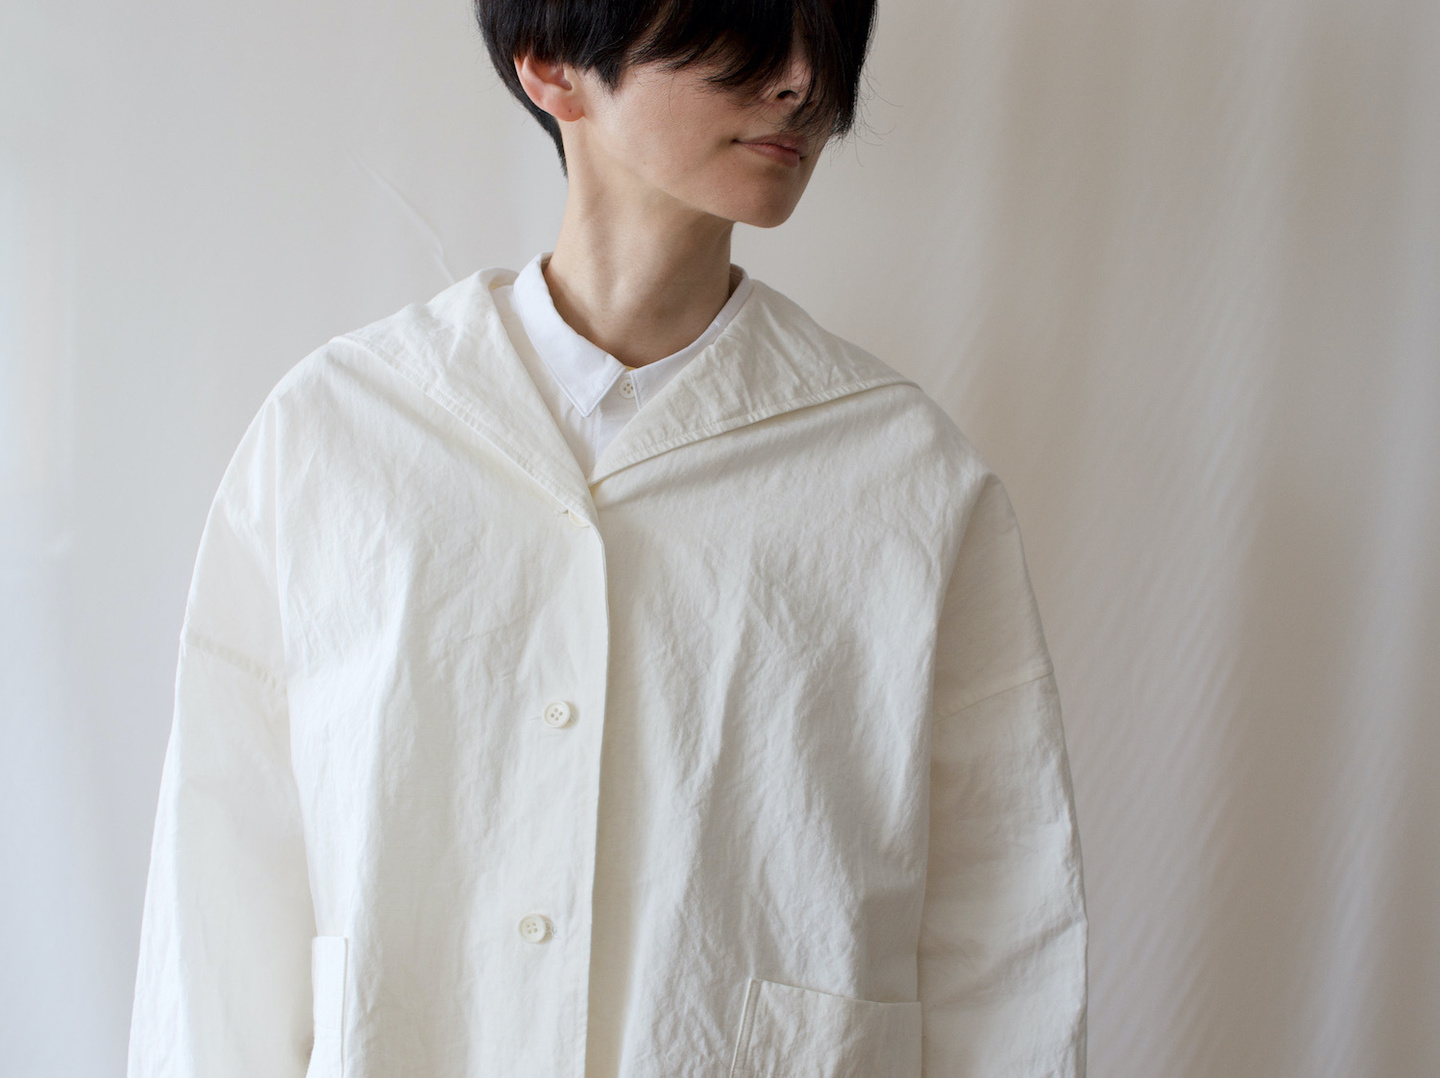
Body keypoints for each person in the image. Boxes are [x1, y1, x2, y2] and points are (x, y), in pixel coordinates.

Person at [127, 0, 1088, 1075]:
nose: (804, 81)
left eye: (827, 33)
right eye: (746, 26)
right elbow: (221, 904)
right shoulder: (339, 436)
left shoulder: (905, 477)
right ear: (551, 63)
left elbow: (1003, 940)